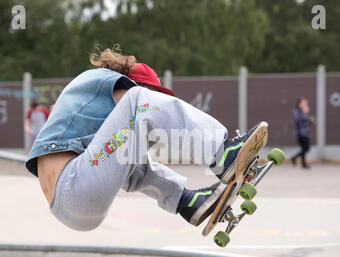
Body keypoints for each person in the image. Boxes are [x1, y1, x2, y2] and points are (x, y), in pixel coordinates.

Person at [25, 46, 260, 231]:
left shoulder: (88, 106)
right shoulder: (105, 80)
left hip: (72, 208)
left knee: (131, 159)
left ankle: (187, 201)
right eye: (154, 93)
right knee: (138, 102)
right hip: (74, 185)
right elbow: (138, 102)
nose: (155, 101)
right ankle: (222, 153)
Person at [291, 97, 315, 169]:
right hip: (300, 133)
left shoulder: (304, 112)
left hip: (306, 132)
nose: (305, 104)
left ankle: (301, 162)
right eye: (303, 103)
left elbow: (309, 122)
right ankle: (296, 159)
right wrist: (305, 113)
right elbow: (298, 120)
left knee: (304, 148)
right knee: (306, 148)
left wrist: (311, 119)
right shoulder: (297, 111)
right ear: (299, 104)